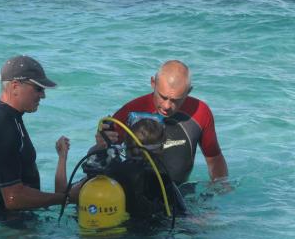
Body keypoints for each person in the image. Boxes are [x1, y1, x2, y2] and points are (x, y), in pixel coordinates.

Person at [95, 60, 228, 185]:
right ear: (153, 83)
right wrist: (101, 145)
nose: (167, 106)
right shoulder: (131, 111)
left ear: (188, 92)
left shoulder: (200, 112)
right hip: (136, 191)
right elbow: (101, 157)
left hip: (181, 193)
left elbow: (214, 158)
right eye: (163, 97)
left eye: (176, 100)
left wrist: (221, 189)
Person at [0, 55, 81, 211]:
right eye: (38, 88)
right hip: (12, 225)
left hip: (1, 214)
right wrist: (66, 198)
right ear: (15, 86)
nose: (43, 95)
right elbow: (13, 199)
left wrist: (62, 157)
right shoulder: (3, 124)